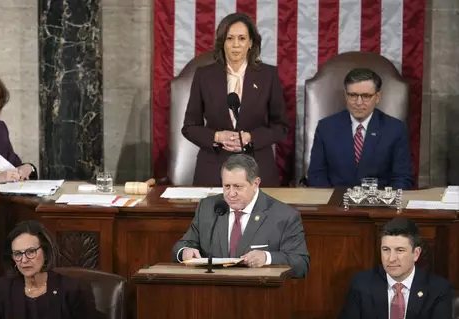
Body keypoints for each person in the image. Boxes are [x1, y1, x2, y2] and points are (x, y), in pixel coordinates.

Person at [182, 12, 289, 187]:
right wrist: (216, 136)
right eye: (230, 38)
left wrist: (250, 137)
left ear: (251, 43)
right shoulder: (204, 76)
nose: (236, 45)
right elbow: (189, 127)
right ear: (222, 43)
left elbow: (281, 127)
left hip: (256, 167)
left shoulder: (268, 75)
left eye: (241, 38)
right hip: (213, 168)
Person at [332, 217, 453, 319]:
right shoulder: (363, 283)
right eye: (386, 250)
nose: (391, 259)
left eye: (400, 250)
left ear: (416, 254)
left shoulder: (437, 288)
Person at [172, 154, 310, 278]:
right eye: (226, 186)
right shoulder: (208, 208)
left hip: (258, 297)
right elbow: (183, 245)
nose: (231, 194)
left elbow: (301, 264)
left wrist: (267, 258)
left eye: (238, 187)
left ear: (255, 184)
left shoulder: (284, 216)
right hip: (211, 295)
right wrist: (184, 252)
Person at [0, 220, 103, 319]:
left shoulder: (72, 289)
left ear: (45, 252)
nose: (24, 260)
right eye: (18, 254)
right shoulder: (3, 288)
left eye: (30, 252)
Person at [308, 68, 414, 190]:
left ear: (378, 97)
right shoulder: (326, 127)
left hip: (378, 204)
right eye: (353, 95)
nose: (359, 102)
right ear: (345, 95)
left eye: (366, 96)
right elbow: (316, 175)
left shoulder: (395, 129)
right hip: (335, 203)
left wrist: (384, 203)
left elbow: (402, 178)